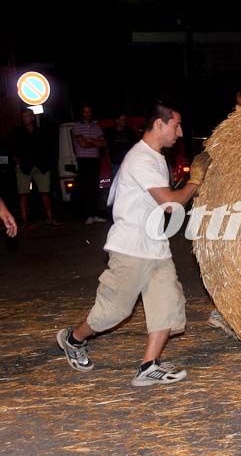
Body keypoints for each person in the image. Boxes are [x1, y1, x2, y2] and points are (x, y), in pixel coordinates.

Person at [56, 101, 211, 386]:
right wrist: (195, 182)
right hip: (130, 248)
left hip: (156, 246)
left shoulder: (156, 158)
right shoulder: (140, 159)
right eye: (176, 125)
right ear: (159, 124)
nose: (179, 133)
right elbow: (169, 203)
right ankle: (73, 338)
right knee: (114, 311)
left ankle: (148, 366)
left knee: (167, 304)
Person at [207, 85, 241, 339]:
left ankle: (235, 313)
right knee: (236, 262)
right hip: (232, 207)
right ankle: (223, 311)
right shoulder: (226, 136)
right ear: (236, 108)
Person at [11, 108, 56, 226]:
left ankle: (50, 218)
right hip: (24, 166)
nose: (25, 119)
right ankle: (24, 220)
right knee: (23, 193)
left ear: (33, 117)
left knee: (45, 192)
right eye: (23, 116)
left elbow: (48, 147)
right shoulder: (18, 132)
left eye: (28, 116)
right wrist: (17, 163)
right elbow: (12, 148)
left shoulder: (41, 131)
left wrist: (47, 162)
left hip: (41, 166)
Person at [72, 104, 108, 224]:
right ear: (81, 113)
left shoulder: (96, 126)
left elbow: (104, 143)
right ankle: (87, 215)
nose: (87, 114)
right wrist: (95, 141)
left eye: (89, 112)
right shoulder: (77, 126)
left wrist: (90, 140)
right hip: (83, 159)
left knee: (95, 187)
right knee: (86, 187)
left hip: (94, 159)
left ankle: (95, 214)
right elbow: (82, 144)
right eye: (85, 112)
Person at [104, 113, 138, 179]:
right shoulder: (110, 133)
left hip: (128, 164)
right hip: (116, 164)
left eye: (125, 119)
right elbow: (107, 150)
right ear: (117, 120)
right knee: (116, 183)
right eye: (123, 119)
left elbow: (135, 146)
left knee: (128, 183)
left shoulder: (129, 131)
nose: (125, 121)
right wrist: (111, 164)